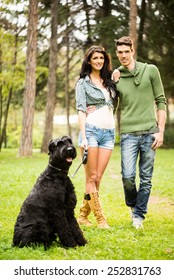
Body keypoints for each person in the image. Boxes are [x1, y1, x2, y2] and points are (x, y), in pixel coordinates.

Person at [112, 36, 166, 229]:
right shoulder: (116, 77)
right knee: (127, 176)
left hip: (150, 132)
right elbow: (109, 103)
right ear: (117, 53)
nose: (124, 55)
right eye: (120, 52)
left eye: (127, 51)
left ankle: (139, 216)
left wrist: (160, 131)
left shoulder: (150, 70)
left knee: (145, 178)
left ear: (133, 51)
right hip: (128, 134)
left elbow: (161, 101)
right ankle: (133, 206)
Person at [75, 46, 118, 228]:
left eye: (101, 58)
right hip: (90, 132)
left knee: (97, 178)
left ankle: (83, 216)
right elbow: (81, 110)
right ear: (89, 61)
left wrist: (115, 79)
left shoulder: (109, 81)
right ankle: (101, 219)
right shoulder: (82, 83)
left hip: (109, 134)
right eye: (95, 58)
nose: (99, 61)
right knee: (91, 177)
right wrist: (84, 136)